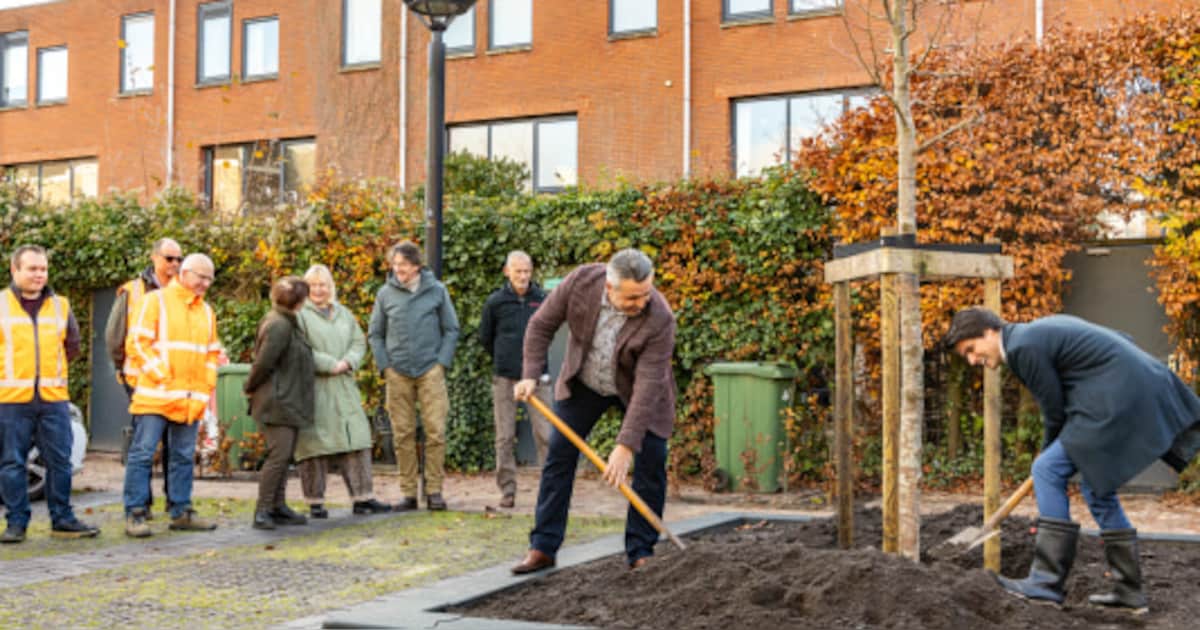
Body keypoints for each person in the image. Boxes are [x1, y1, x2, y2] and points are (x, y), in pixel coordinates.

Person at [944, 307, 1200, 610]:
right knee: (1096, 487)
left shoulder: (1022, 347)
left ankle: (1044, 582)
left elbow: (1053, 409)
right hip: (1131, 389)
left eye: (972, 350)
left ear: (989, 332)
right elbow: (1118, 341)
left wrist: (1047, 456)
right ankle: (1129, 592)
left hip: (1117, 396)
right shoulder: (1032, 335)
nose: (973, 360)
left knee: (1047, 469)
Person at [511, 248, 677, 574]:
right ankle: (543, 546)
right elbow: (541, 325)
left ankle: (641, 551)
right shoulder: (581, 283)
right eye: (633, 297)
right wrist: (530, 374)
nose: (641, 303)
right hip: (586, 382)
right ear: (609, 288)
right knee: (559, 453)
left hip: (639, 391)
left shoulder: (659, 316)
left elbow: (647, 387)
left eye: (646, 294)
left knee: (652, 460)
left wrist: (625, 445)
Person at [0, 245, 99, 543]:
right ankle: (16, 523)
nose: (39, 275)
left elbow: (73, 346)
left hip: (53, 398)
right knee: (12, 463)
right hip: (11, 400)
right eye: (32, 269)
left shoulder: (61, 306)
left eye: (43, 269)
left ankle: (63, 520)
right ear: (15, 270)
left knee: (60, 461)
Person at [122, 253, 222, 538]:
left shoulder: (205, 311)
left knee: (181, 456)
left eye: (209, 279)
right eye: (201, 277)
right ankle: (136, 512)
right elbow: (137, 343)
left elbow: (211, 354)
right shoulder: (156, 301)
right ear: (185, 273)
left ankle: (181, 510)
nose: (205, 283)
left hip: (189, 399)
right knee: (142, 454)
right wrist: (161, 376)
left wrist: (204, 389)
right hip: (156, 396)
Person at [368, 241, 460, 512]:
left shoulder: (437, 291)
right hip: (397, 372)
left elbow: (451, 328)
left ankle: (434, 491)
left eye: (404, 266)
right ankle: (408, 493)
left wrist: (441, 362)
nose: (399, 271)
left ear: (417, 266)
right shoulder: (385, 294)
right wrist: (385, 365)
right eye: (395, 266)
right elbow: (375, 333)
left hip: (430, 369)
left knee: (435, 431)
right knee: (402, 433)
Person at [294, 265, 390, 518]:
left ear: (330, 287)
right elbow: (300, 350)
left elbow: (359, 342)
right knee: (314, 444)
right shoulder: (299, 315)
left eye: (322, 284)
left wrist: (348, 362)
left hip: (344, 385)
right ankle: (315, 502)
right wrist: (329, 364)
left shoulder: (344, 314)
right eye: (312, 285)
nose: (318, 290)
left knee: (356, 438)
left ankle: (363, 497)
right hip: (316, 387)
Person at [104, 237, 183, 518]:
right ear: (154, 258)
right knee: (145, 444)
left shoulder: (185, 291)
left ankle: (176, 504)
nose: (174, 264)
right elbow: (116, 334)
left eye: (178, 259)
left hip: (176, 382)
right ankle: (141, 504)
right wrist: (123, 370)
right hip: (142, 381)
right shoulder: (132, 291)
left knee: (176, 446)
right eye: (169, 258)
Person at [479, 250, 553, 508]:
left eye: (527, 271)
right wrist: (505, 360)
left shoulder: (542, 299)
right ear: (506, 272)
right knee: (505, 436)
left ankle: (550, 490)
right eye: (518, 271)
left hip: (538, 379)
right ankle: (507, 489)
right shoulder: (495, 302)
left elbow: (548, 333)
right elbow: (485, 338)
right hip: (505, 378)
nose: (523, 276)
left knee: (545, 434)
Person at [244, 277, 315, 530]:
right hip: (277, 400)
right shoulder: (279, 325)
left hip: (285, 399)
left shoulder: (286, 322)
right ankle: (263, 510)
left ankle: (277, 506)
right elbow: (263, 363)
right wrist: (249, 387)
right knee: (279, 455)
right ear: (299, 301)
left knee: (284, 457)